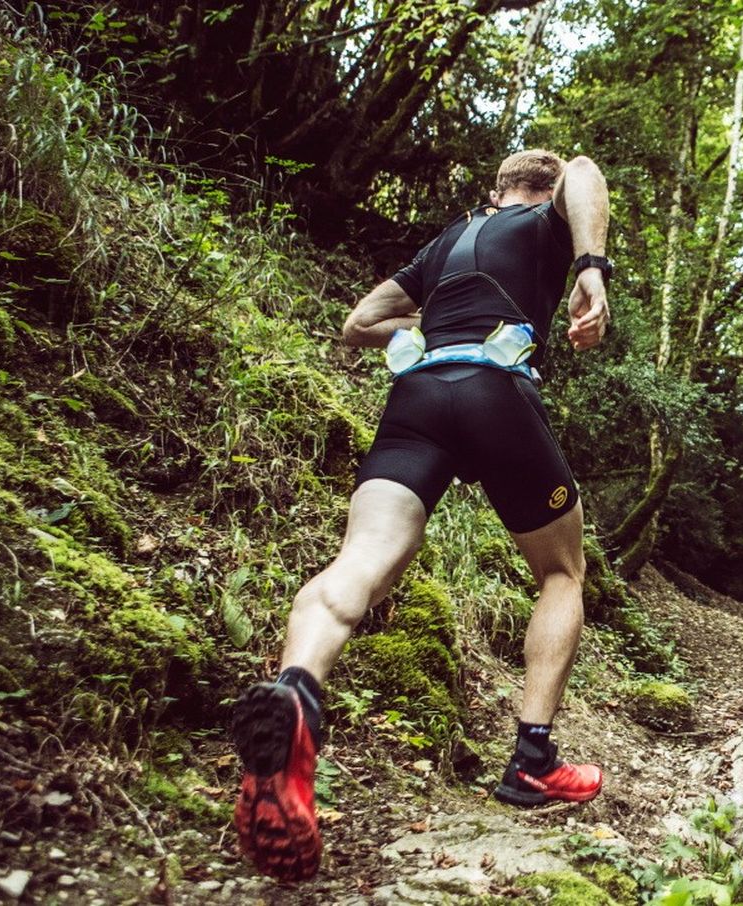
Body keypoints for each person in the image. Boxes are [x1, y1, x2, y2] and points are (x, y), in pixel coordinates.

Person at [230, 149, 613, 882]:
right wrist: (591, 269)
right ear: (542, 189)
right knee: (563, 571)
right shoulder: (546, 219)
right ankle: (532, 761)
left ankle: (297, 693)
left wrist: (427, 325)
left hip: (416, 401)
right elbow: (590, 172)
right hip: (495, 389)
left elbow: (358, 323)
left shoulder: (447, 243)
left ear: (493, 189)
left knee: (360, 564)